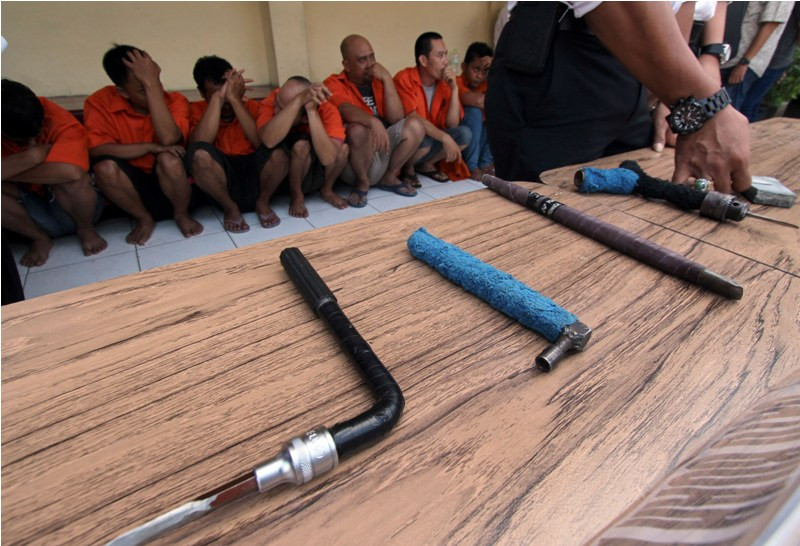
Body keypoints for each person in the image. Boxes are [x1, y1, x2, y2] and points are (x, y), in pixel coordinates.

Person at [487, 2, 752, 194]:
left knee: (625, 217)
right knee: (543, 219)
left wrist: (675, 90)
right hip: (568, 51)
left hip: (653, 69)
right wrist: (702, 104)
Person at [84, 44, 202, 245]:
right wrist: (150, 147)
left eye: (157, 82)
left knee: (169, 159)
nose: (158, 90)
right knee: (104, 167)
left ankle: (181, 214)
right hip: (131, 184)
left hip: (171, 180)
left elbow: (168, 138)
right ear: (122, 92)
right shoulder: (99, 102)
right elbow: (97, 149)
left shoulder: (175, 100)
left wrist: (151, 85)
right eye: (143, 88)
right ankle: (144, 219)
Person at [2, 79, 107, 267]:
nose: (32, 143)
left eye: (36, 135)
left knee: (74, 180)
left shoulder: (53, 115)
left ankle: (86, 229)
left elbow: (71, 172)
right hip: (28, 205)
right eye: (23, 140)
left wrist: (9, 170)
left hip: (70, 205)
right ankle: (39, 238)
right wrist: (32, 157)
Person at [324, 34, 426, 207]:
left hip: (382, 152)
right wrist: (372, 121)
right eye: (362, 60)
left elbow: (397, 118)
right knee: (358, 128)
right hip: (355, 162)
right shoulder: (334, 83)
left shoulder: (378, 81)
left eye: (372, 57)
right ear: (346, 65)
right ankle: (362, 182)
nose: (370, 64)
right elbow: (344, 109)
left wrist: (387, 79)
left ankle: (389, 177)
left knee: (416, 125)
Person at [187, 56, 286, 232]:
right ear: (202, 93)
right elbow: (200, 144)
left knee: (279, 151)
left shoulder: (252, 106)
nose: (226, 101)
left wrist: (235, 99)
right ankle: (230, 208)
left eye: (228, 91)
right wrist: (217, 99)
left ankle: (263, 202)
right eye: (219, 94)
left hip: (255, 172)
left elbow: (260, 143)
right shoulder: (197, 111)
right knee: (199, 155)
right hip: (223, 178)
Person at [257, 76, 348, 222]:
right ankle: (296, 195)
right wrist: (298, 100)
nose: (275, 110)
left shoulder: (326, 109)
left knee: (343, 149)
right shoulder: (276, 97)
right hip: (283, 171)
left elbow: (328, 158)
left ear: (303, 118)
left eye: (283, 109)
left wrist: (311, 112)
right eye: (277, 104)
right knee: (301, 146)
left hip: (314, 165)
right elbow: (268, 140)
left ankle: (327, 190)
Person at [394, 31, 471, 183]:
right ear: (423, 60)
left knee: (464, 134)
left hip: (431, 139)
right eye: (440, 55)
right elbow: (412, 117)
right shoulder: (404, 79)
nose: (445, 62)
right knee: (425, 140)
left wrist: (454, 89)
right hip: (410, 141)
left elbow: (452, 124)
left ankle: (426, 164)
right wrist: (444, 137)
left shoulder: (444, 83)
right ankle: (407, 167)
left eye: (445, 55)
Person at [721, 1, 795, 122]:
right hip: (728, 56)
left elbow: (771, 23)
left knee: (727, 115)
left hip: (743, 62)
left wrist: (745, 62)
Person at [457, 42, 494, 180]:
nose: (480, 76)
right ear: (463, 66)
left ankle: (485, 163)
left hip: (477, 141)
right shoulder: (456, 82)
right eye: (476, 69)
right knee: (474, 112)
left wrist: (495, 66)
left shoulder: (486, 84)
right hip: (460, 139)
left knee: (496, 114)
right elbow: (478, 101)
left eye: (484, 71)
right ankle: (472, 167)